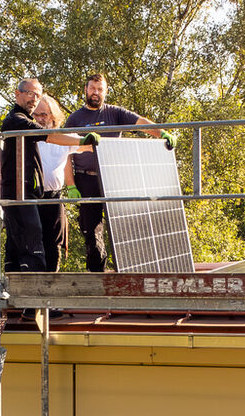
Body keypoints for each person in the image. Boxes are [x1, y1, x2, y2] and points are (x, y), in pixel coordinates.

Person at [64, 73, 176, 272]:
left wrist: (162, 133)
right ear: (85, 90)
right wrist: (71, 185)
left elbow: (141, 122)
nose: (95, 93)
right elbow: (65, 154)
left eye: (100, 89)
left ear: (105, 92)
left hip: (114, 178)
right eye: (92, 88)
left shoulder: (115, 113)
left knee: (124, 227)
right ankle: (98, 277)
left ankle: (129, 273)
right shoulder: (75, 119)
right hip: (85, 178)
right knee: (92, 230)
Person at [0, 78, 86, 274]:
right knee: (29, 241)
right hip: (18, 193)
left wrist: (102, 140)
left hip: (38, 194)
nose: (34, 99)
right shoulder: (17, 121)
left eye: (37, 95)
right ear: (18, 94)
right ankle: (29, 296)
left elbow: (62, 141)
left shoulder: (26, 122)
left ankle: (33, 297)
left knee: (40, 241)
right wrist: (84, 138)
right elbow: (49, 136)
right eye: (30, 94)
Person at [33, 95, 76, 271]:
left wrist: (94, 140)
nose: (40, 119)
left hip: (54, 197)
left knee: (53, 242)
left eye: (44, 114)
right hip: (31, 197)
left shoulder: (65, 137)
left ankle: (52, 277)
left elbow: (88, 145)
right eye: (36, 115)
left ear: (53, 114)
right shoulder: (28, 134)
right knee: (32, 240)